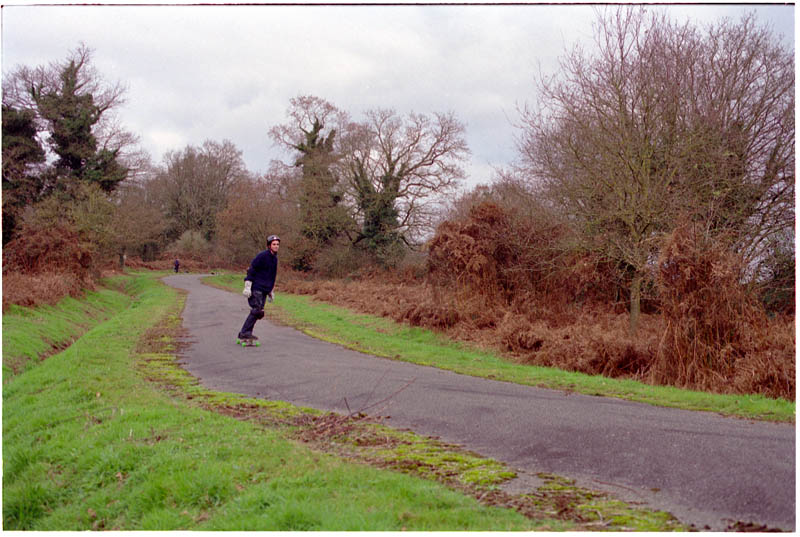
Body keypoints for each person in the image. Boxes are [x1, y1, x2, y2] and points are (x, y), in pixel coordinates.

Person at [237, 235, 280, 341]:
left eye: (278, 244)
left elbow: (272, 276)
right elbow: (252, 269)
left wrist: (271, 291)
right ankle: (244, 332)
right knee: (257, 310)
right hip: (256, 287)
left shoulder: (274, 259)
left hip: (265, 289)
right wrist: (247, 285)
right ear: (269, 245)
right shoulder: (262, 256)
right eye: (274, 244)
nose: (276, 246)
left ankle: (246, 332)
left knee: (259, 312)